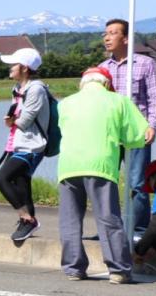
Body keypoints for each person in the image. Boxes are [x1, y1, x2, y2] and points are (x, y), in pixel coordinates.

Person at [57, 66, 149, 283]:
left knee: (69, 220)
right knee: (108, 218)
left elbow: (62, 129)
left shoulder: (66, 103)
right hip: (100, 165)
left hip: (68, 165)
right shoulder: (118, 101)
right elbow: (137, 135)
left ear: (83, 83)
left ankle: (73, 268)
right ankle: (118, 269)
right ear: (106, 83)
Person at [99, 18, 156, 237]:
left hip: (137, 131)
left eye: (113, 33)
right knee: (106, 180)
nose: (107, 37)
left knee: (137, 183)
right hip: (111, 133)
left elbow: (155, 98)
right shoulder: (102, 69)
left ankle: (139, 229)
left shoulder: (145, 64)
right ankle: (110, 228)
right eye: (105, 33)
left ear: (125, 38)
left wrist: (152, 125)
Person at [0, 48, 49, 242]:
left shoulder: (36, 89)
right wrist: (12, 121)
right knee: (22, 182)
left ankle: (26, 218)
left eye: (13, 65)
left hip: (32, 146)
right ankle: (27, 224)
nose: (9, 68)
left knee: (2, 178)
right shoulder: (18, 89)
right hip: (17, 143)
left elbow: (23, 121)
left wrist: (11, 121)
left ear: (25, 68)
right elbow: (15, 118)